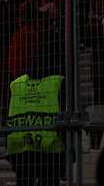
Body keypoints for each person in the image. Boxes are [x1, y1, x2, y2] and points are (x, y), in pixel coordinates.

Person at [5, 54, 64, 186]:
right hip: (49, 148)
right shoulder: (56, 83)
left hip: (21, 146)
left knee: (24, 180)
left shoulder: (16, 84)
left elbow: (7, 114)